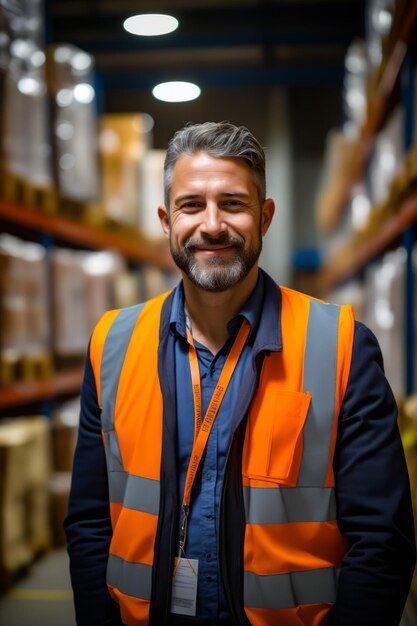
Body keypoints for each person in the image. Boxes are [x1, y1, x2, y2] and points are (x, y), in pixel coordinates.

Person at [64, 121, 416, 626]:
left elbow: (382, 539)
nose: (212, 225)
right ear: (165, 220)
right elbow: (90, 522)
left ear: (265, 216)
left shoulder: (339, 346)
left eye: (233, 203)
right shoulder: (112, 344)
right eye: (191, 205)